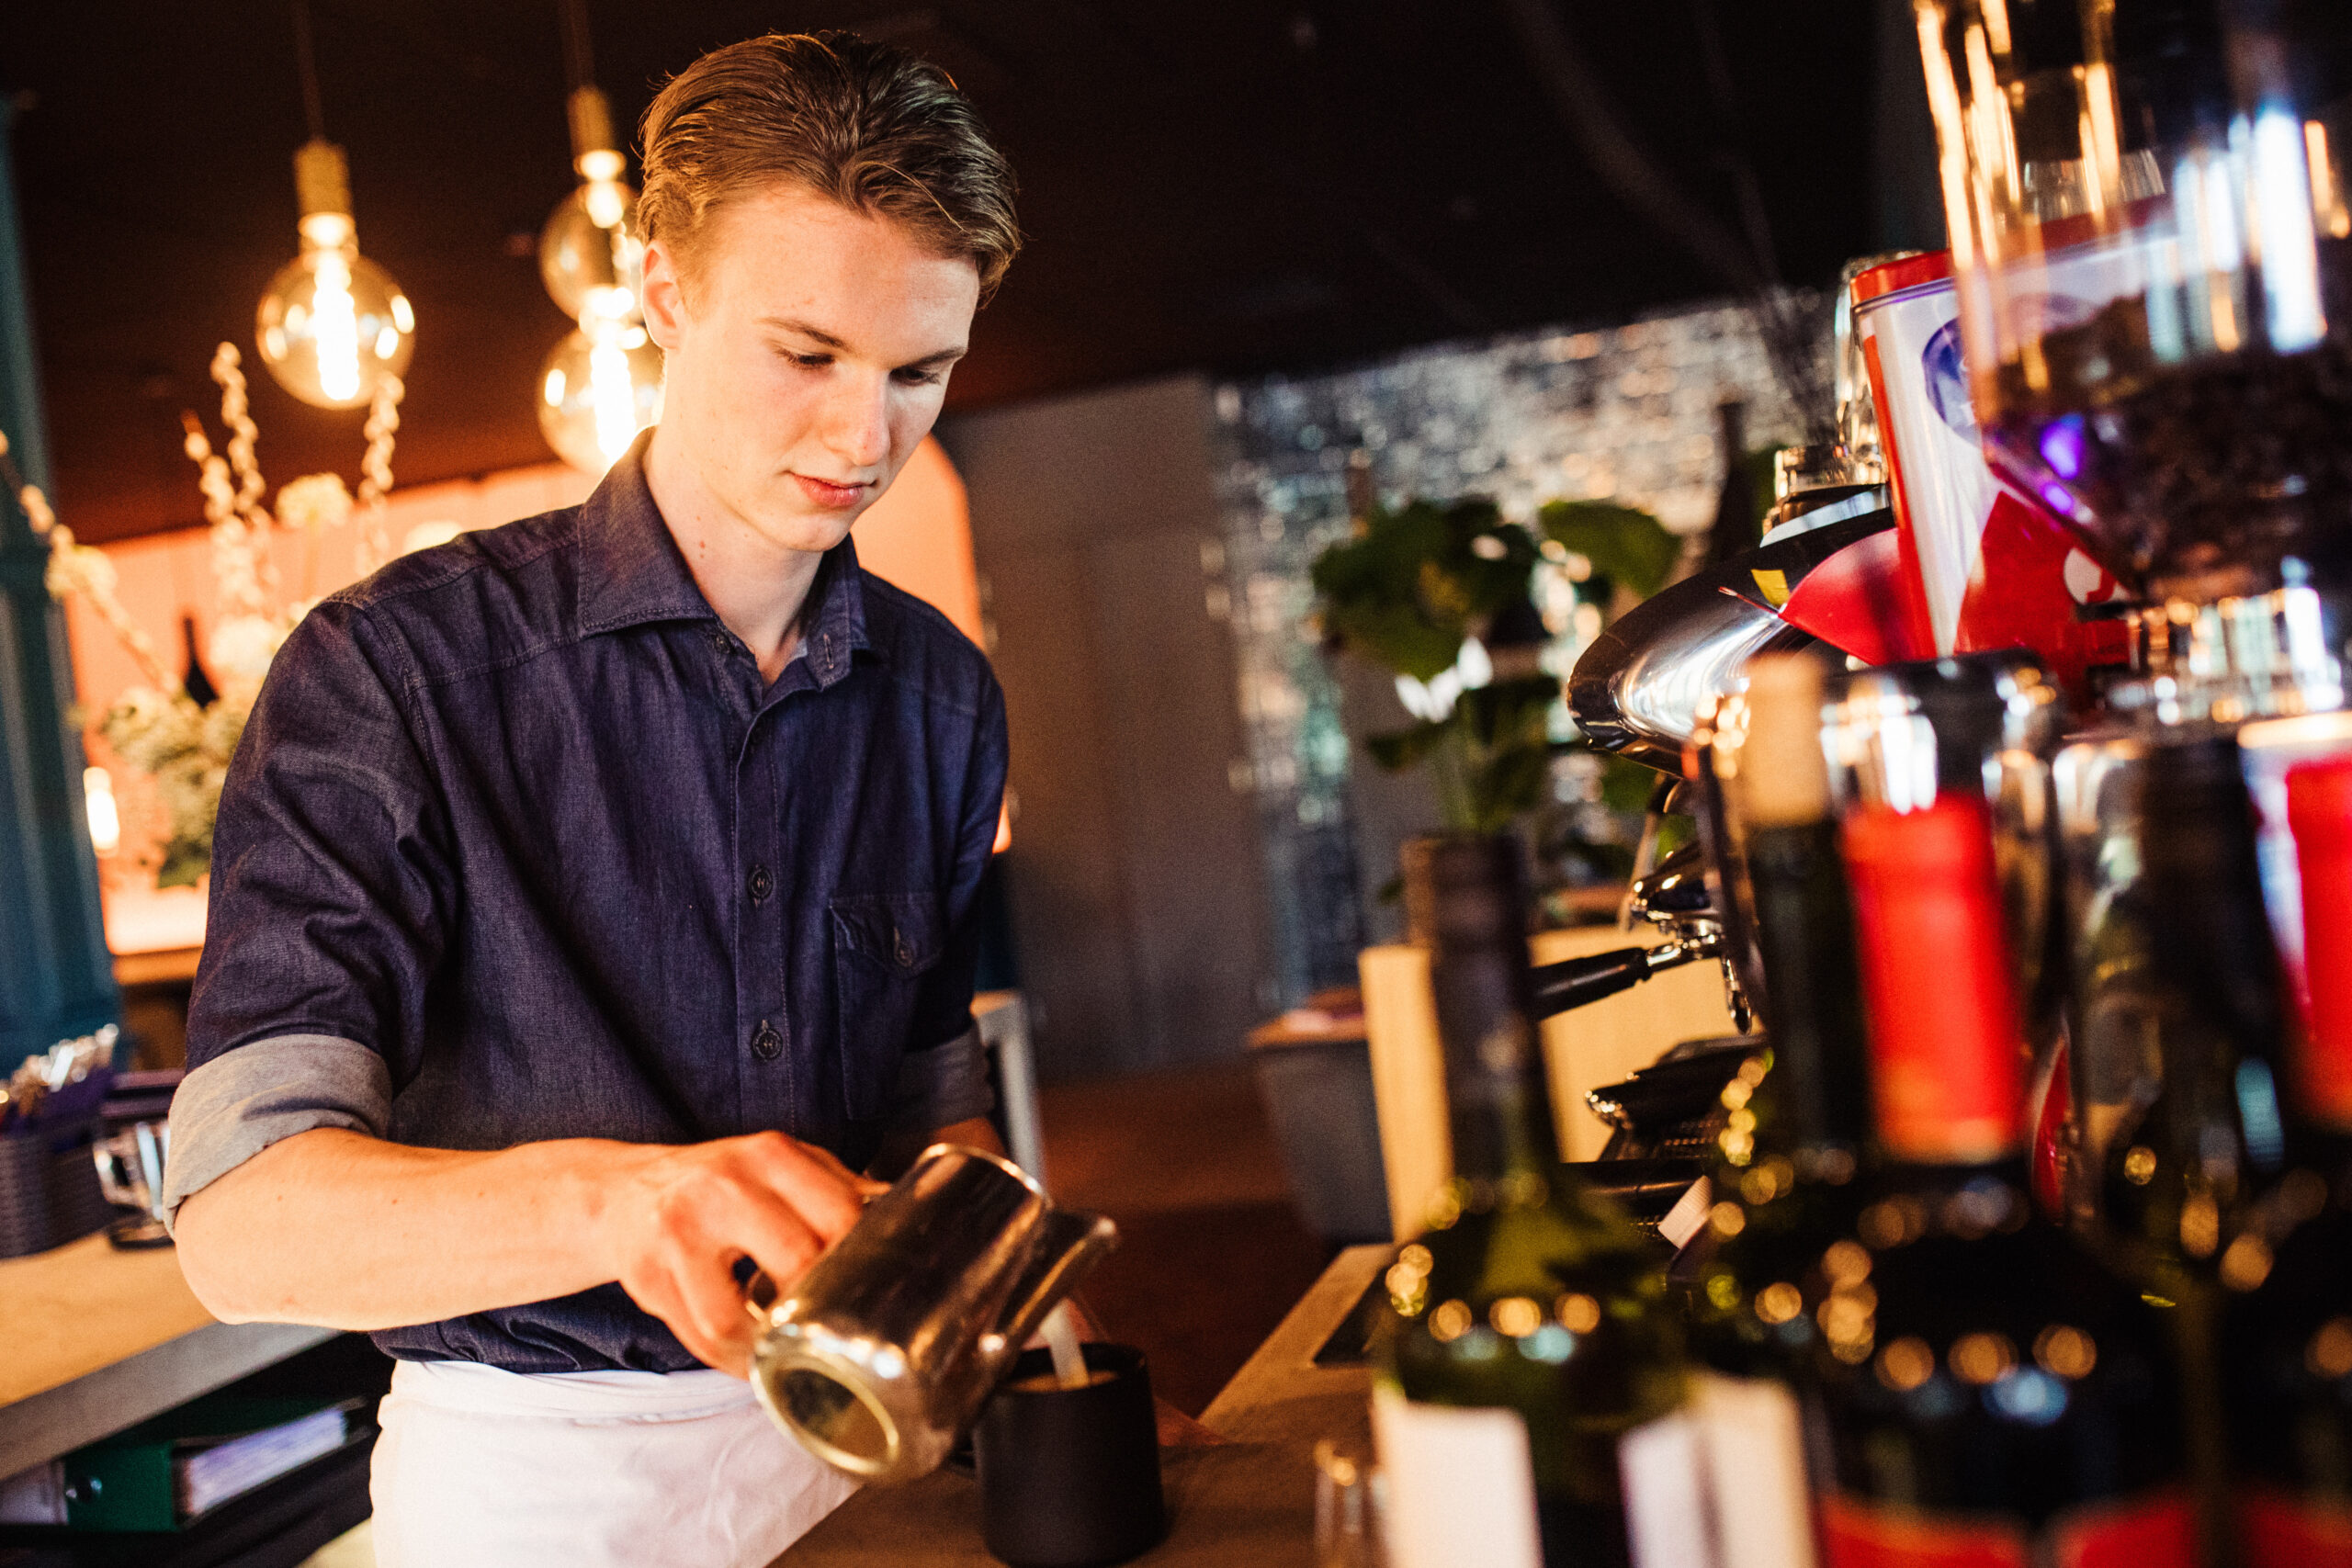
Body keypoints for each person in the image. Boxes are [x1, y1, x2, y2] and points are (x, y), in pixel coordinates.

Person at [165, 32, 1020, 1568]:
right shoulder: (392, 673)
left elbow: (929, 1115)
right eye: (808, 354)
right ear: (664, 293)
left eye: (919, 373)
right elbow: (237, 1219)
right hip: (539, 1492)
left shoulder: (943, 695)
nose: (862, 436)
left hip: (879, 1463)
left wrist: (1021, 1312)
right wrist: (616, 1207)